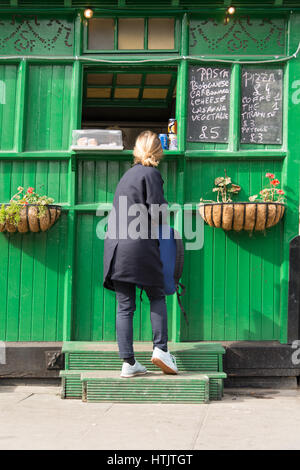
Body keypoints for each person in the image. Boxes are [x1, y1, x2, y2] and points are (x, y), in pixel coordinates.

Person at [103, 130, 178, 378]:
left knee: (125, 306)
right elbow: (157, 212)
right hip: (139, 246)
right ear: (159, 152)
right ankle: (161, 350)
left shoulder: (127, 176)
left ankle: (129, 363)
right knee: (156, 294)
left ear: (136, 151)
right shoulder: (151, 174)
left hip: (115, 248)